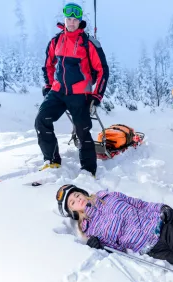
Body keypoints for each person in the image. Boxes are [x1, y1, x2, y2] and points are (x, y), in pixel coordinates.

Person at [55, 184, 173, 274]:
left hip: (164, 229)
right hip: (154, 251)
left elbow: (140, 204)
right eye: (72, 202)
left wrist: (163, 208)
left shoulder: (109, 197)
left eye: (76, 195)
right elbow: (119, 249)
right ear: (72, 211)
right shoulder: (90, 229)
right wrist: (101, 248)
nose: (78, 200)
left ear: (82, 193)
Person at [35, 2, 109, 176]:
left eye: (75, 19)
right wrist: (48, 85)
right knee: (41, 120)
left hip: (79, 95)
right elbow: (48, 65)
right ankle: (52, 161)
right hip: (58, 92)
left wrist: (96, 96)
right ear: (64, 19)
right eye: (69, 19)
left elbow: (102, 71)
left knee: (82, 131)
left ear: (80, 20)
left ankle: (88, 170)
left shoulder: (89, 43)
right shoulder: (56, 40)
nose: (71, 22)